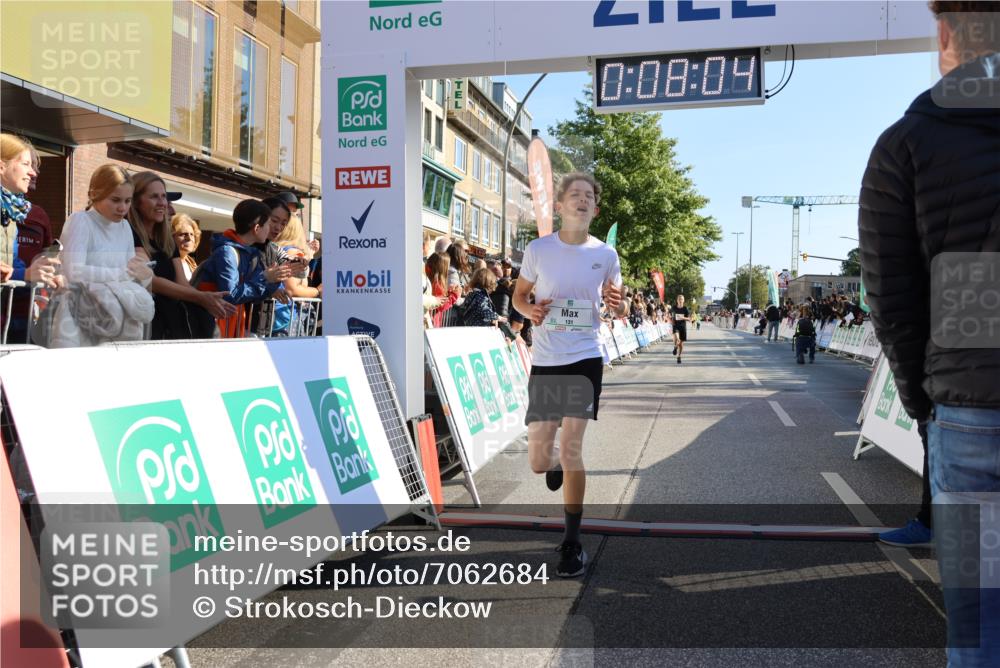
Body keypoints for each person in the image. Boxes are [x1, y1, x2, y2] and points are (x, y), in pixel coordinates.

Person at [859, 3, 999, 664]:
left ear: (946, 35)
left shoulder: (906, 143)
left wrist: (925, 404)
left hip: (972, 410)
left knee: (980, 627)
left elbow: (893, 299)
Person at [511, 172, 624, 578]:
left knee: (573, 446)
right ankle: (556, 462)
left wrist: (618, 304)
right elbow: (519, 296)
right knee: (539, 461)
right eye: (574, 194)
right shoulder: (539, 249)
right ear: (559, 206)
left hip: (584, 359)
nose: (582, 199)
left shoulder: (606, 255)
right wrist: (530, 311)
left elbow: (619, 307)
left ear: (595, 209)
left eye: (589, 195)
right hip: (546, 360)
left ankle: (572, 542)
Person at [50, 164, 154, 348]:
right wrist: (123, 274)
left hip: (117, 320)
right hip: (80, 315)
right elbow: (73, 272)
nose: (122, 208)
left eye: (128, 201)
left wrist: (143, 275)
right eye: (115, 200)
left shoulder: (125, 227)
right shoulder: (80, 220)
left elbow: (131, 274)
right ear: (94, 194)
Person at [129, 171, 232, 339]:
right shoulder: (129, 233)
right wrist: (201, 297)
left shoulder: (166, 240)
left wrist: (209, 300)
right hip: (144, 324)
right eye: (154, 196)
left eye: (163, 196)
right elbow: (150, 281)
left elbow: (182, 282)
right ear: (136, 201)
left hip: (171, 323)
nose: (162, 203)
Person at [193, 199, 291, 336]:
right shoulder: (227, 252)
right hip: (212, 325)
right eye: (269, 224)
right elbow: (229, 295)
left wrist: (272, 283)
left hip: (231, 325)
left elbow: (252, 295)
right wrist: (265, 278)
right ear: (257, 228)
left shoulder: (249, 253)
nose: (272, 229)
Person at [3, 138, 60, 342]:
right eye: (27, 164)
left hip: (17, 311)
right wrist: (25, 274)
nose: (33, 173)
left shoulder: (10, 212)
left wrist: (42, 273)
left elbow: (12, 260)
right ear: (2, 166)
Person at [171, 214, 201, 281]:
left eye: (192, 234)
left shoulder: (192, 264)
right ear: (171, 238)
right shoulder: (165, 262)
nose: (189, 238)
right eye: (183, 234)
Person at [671, 295, 690, 363]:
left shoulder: (685, 308)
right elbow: (671, 315)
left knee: (681, 344)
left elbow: (689, 318)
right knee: (677, 339)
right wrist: (671, 320)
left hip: (682, 326)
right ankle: (675, 347)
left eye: (681, 299)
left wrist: (682, 318)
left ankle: (679, 356)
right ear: (677, 300)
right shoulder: (674, 307)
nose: (680, 300)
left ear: (683, 300)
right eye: (679, 299)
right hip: (675, 326)